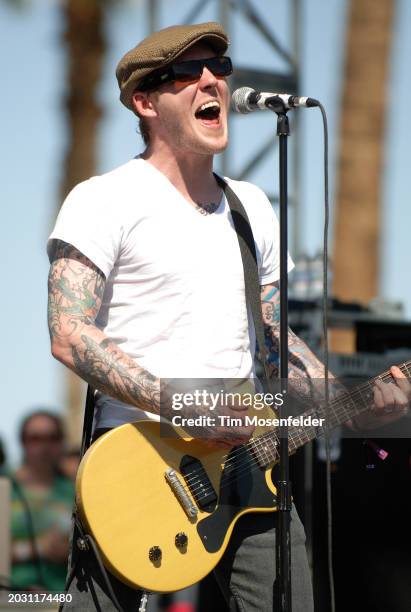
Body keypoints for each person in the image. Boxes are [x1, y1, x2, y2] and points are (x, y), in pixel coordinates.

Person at [46, 22, 410, 611]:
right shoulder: (103, 199)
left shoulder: (251, 209)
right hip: (139, 463)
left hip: (250, 463)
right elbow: (69, 335)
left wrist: (354, 400)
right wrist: (188, 405)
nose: (213, 79)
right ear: (146, 101)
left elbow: (271, 341)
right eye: (189, 71)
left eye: (219, 65)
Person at [10, 410, 74, 592]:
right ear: (23, 442)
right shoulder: (5, 488)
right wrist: (38, 548)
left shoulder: (75, 491)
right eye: (35, 438)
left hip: (62, 597)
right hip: (11, 597)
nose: (45, 446)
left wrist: (70, 551)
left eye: (53, 438)